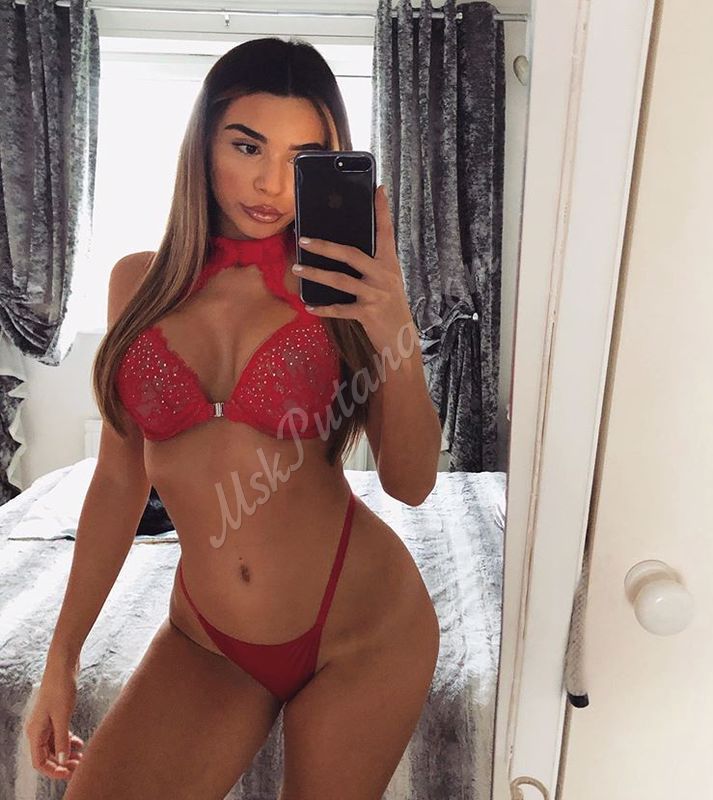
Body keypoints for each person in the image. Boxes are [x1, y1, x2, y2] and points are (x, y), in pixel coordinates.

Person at [24, 37, 442, 799]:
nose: (270, 183)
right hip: (209, 639)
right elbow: (117, 483)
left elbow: (410, 483)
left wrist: (396, 330)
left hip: (363, 629)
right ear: (203, 143)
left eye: (300, 157)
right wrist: (62, 659)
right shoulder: (137, 283)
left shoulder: (342, 290)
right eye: (246, 146)